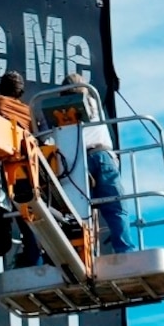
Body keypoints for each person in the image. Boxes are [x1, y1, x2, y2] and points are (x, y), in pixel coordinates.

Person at [61, 71, 130, 253]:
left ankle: (85, 252)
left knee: (82, 211)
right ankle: (124, 249)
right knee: (116, 208)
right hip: (102, 155)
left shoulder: (59, 112)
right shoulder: (94, 102)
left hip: (78, 161)